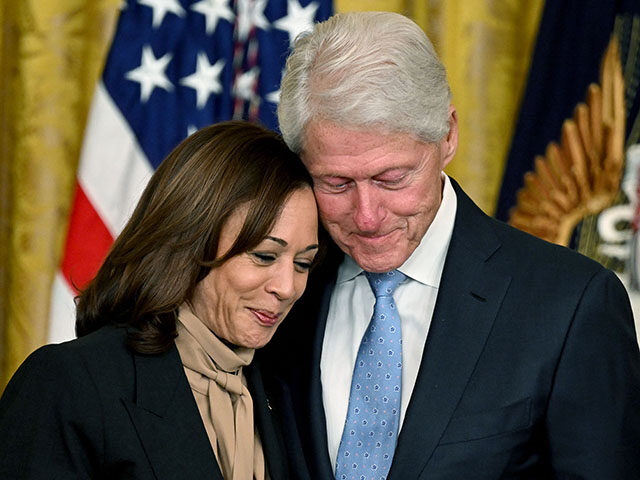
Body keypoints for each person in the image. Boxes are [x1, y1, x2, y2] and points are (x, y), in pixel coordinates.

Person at [265, 11, 640, 480]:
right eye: (335, 183)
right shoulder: (274, 289)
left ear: (448, 135)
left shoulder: (571, 305)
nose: (366, 216)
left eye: (392, 178)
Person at [0, 121, 320, 479]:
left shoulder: (282, 396)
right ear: (191, 239)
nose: (288, 286)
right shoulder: (69, 384)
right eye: (264, 256)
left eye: (303, 263)